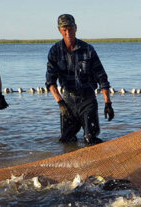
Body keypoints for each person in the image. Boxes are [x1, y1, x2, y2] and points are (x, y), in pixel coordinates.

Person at [45, 14, 114, 145]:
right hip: (68, 102)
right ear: (59, 30)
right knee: (66, 141)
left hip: (87, 100)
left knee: (90, 139)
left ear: (75, 28)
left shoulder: (88, 49)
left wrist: (108, 103)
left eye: (70, 29)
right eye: (64, 30)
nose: (68, 32)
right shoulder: (55, 51)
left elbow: (102, 77)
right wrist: (61, 104)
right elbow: (50, 82)